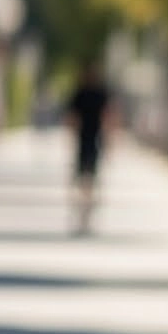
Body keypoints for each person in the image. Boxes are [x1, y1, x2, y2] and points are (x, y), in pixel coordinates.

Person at [64, 59, 114, 234]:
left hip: (85, 140)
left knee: (84, 178)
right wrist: (109, 143)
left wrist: (70, 138)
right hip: (93, 140)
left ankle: (84, 213)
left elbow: (72, 119)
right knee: (89, 178)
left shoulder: (80, 93)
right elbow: (107, 118)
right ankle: (86, 212)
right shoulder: (99, 93)